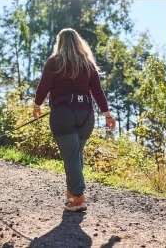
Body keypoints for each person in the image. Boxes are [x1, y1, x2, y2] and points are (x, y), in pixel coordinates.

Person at [33, 28, 116, 212]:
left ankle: (79, 198)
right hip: (86, 115)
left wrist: (37, 105)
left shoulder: (54, 62)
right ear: (79, 42)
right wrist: (107, 115)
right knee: (75, 156)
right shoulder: (87, 63)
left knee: (71, 157)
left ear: (60, 43)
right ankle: (71, 196)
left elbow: (44, 86)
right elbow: (98, 92)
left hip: (63, 115)